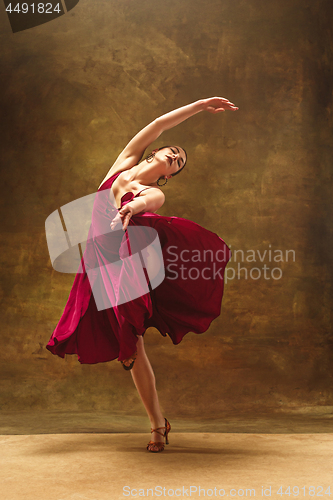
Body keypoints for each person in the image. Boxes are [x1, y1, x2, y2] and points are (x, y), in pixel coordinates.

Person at [46, 97, 238, 452]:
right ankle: (159, 421)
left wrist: (129, 209)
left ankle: (156, 427)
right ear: (156, 153)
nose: (176, 157)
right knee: (128, 350)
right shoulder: (123, 165)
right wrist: (201, 105)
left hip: (125, 266)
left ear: (169, 176)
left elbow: (146, 204)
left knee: (131, 346)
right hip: (96, 264)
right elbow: (160, 123)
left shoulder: (151, 192)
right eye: (173, 152)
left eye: (179, 163)